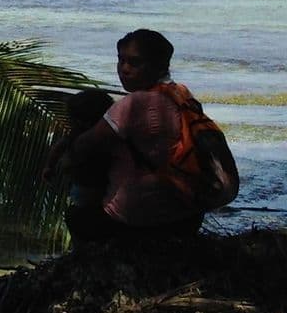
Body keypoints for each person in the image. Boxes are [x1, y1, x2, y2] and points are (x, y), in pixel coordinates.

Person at [63, 29, 212, 243]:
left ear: (159, 66)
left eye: (134, 63)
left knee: (76, 214)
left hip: (136, 219)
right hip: (187, 215)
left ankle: (90, 255)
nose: (124, 69)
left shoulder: (133, 106)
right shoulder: (182, 95)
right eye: (121, 61)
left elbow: (83, 147)